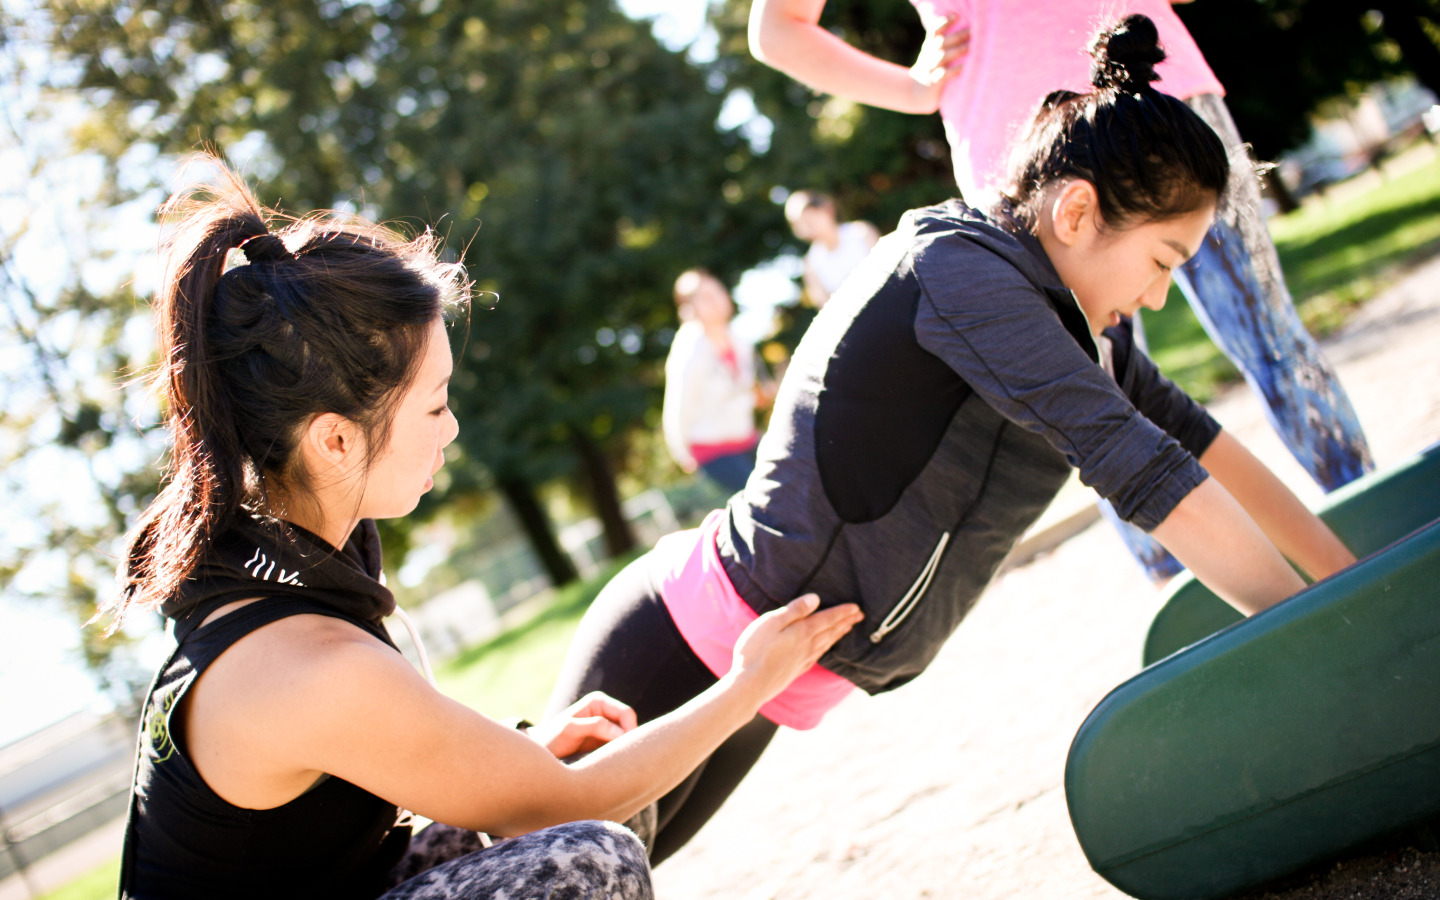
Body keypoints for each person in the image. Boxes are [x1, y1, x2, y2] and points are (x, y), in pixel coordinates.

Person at [549, 16, 1358, 865]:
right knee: (541, 868)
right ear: (1078, 210)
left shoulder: (1080, 333)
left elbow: (1202, 448)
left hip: (771, 682)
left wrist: (1350, 587)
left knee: (615, 877)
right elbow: (1148, 476)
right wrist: (1327, 634)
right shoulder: (961, 270)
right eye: (1162, 261)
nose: (1159, 297)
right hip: (685, 641)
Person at [105, 157, 862, 900]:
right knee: (589, 858)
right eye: (434, 405)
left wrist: (524, 754)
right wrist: (750, 682)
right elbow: (570, 805)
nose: (453, 426)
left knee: (602, 778)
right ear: (333, 439)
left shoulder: (287, 565)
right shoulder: (304, 661)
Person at [749, 0, 1374, 582]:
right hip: (1027, 149)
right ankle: (1191, 603)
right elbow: (778, 27)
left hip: (1160, 97)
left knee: (1272, 342)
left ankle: (1360, 544)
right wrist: (912, 89)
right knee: (1102, 413)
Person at [662, 268, 774, 494]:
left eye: (717, 292)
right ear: (689, 309)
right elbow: (678, 405)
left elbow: (742, 390)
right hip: (712, 450)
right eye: (705, 297)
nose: (716, 301)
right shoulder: (689, 350)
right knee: (766, 497)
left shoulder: (740, 341)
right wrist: (682, 453)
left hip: (745, 439)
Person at [783, 190, 881, 307]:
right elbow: (826, 308)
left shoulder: (862, 232)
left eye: (811, 218)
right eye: (801, 223)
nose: (808, 226)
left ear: (827, 209)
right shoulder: (810, 266)